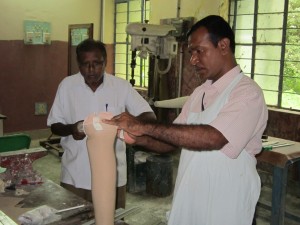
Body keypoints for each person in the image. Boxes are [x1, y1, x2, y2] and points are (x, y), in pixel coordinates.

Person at [104, 15, 268, 225]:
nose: (193, 60)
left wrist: (143, 124)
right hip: (192, 199)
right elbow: (171, 141)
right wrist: (138, 137)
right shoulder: (199, 93)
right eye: (191, 53)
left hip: (226, 205)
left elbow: (213, 139)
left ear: (224, 45)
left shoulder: (246, 93)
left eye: (199, 51)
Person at [47, 39, 156, 209]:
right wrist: (72, 129)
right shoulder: (67, 86)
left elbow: (149, 116)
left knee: (111, 219)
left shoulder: (120, 87)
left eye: (96, 63)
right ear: (78, 64)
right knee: (73, 219)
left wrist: (130, 124)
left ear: (105, 61)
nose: (91, 69)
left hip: (112, 177)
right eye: (85, 64)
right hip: (75, 175)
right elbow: (54, 124)